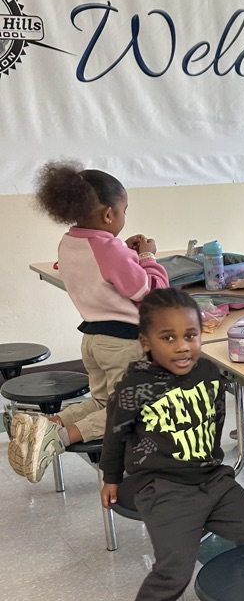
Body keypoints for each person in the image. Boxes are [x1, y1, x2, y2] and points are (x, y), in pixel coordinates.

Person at [100, 287, 244, 601]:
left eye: (190, 336)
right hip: (161, 485)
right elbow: (114, 434)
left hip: (211, 478)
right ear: (146, 342)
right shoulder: (133, 387)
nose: (182, 347)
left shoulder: (210, 373)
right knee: (176, 568)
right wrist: (110, 477)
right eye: (169, 337)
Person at [7, 162, 168, 484]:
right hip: (124, 342)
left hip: (93, 339)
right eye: (123, 211)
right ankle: (60, 438)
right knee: (126, 408)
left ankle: (46, 424)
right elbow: (149, 292)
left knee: (100, 401)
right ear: (109, 214)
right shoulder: (108, 248)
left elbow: (96, 266)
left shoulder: (69, 241)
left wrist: (125, 252)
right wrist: (148, 258)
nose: (123, 218)